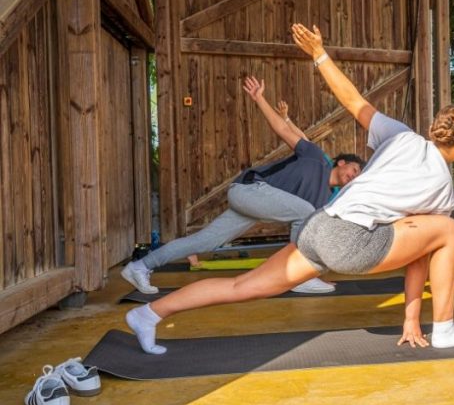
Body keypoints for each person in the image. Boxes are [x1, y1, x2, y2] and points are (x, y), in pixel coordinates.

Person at [125, 23, 454, 355]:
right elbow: (420, 257)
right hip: (350, 242)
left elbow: (354, 100)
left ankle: (149, 314)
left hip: (319, 227)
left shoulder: (401, 135)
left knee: (241, 286)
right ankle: (445, 329)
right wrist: (411, 318)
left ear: (433, 129)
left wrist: (319, 54)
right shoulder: (441, 186)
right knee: (448, 229)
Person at [121, 75, 365, 295]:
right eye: (354, 170)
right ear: (341, 162)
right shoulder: (316, 157)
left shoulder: (325, 198)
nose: (353, 176)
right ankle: (294, 277)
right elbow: (283, 128)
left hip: (254, 205)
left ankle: (140, 266)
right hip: (250, 189)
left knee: (204, 242)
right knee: (305, 213)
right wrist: (260, 99)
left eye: (357, 176)